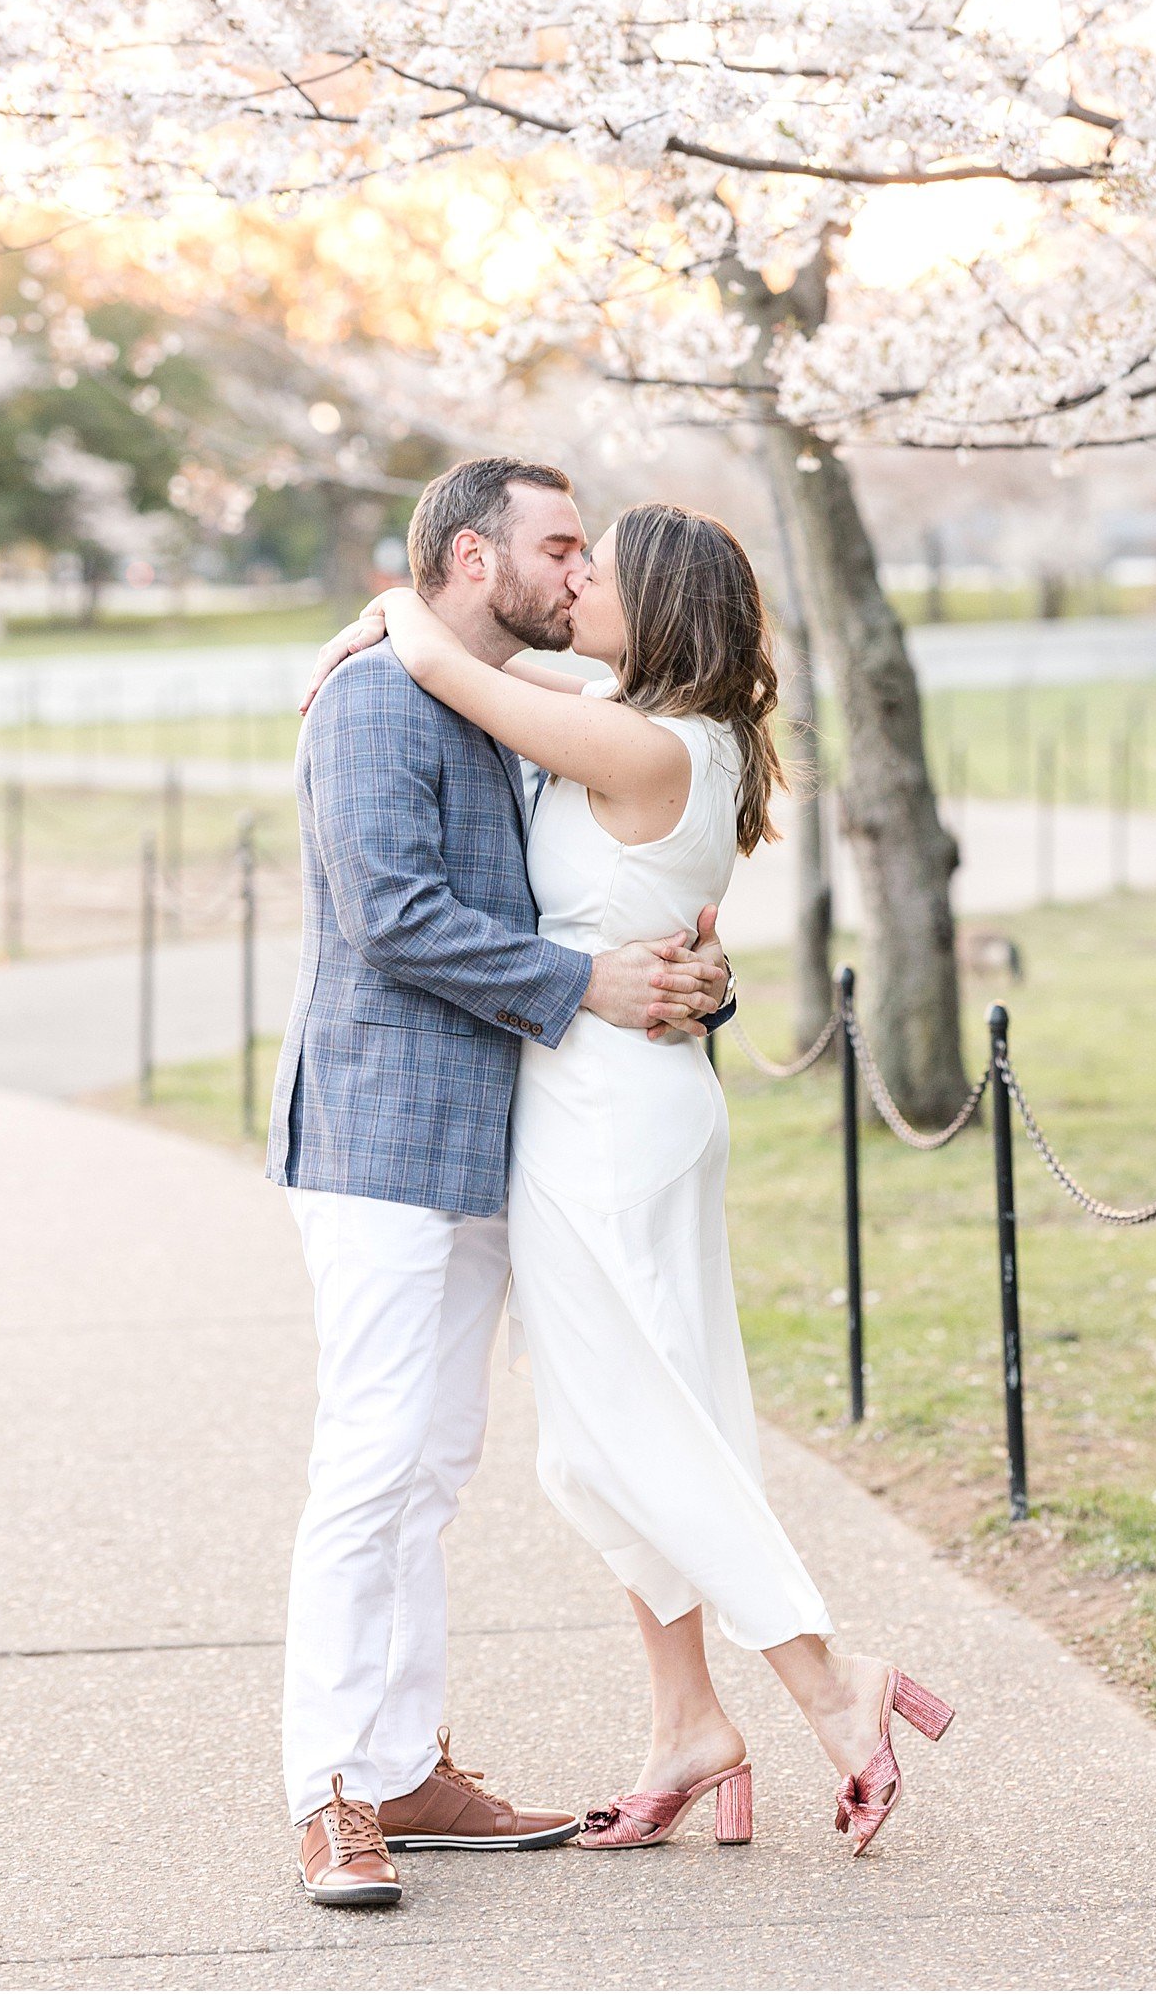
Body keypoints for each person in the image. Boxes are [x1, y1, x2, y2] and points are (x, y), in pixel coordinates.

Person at [303, 491, 955, 1870]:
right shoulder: (670, 731)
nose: (577, 577)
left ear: (652, 605)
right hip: (620, 1105)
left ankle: (834, 1691)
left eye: (594, 567)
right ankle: (685, 1726)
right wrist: (408, 614)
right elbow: (498, 725)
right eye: (562, 552)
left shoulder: (631, 738)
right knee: (640, 1425)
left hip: (603, 1122)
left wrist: (397, 610)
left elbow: (448, 667)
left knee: (632, 1433)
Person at [272, 457, 734, 1908]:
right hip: (387, 1137)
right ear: (472, 558)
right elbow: (393, 914)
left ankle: (404, 1763)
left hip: (502, 1145)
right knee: (371, 1463)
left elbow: (600, 897)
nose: (580, 569)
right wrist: (587, 983)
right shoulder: (369, 703)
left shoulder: (527, 722)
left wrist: (684, 983)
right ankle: (331, 1789)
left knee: (432, 1468)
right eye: (559, 544)